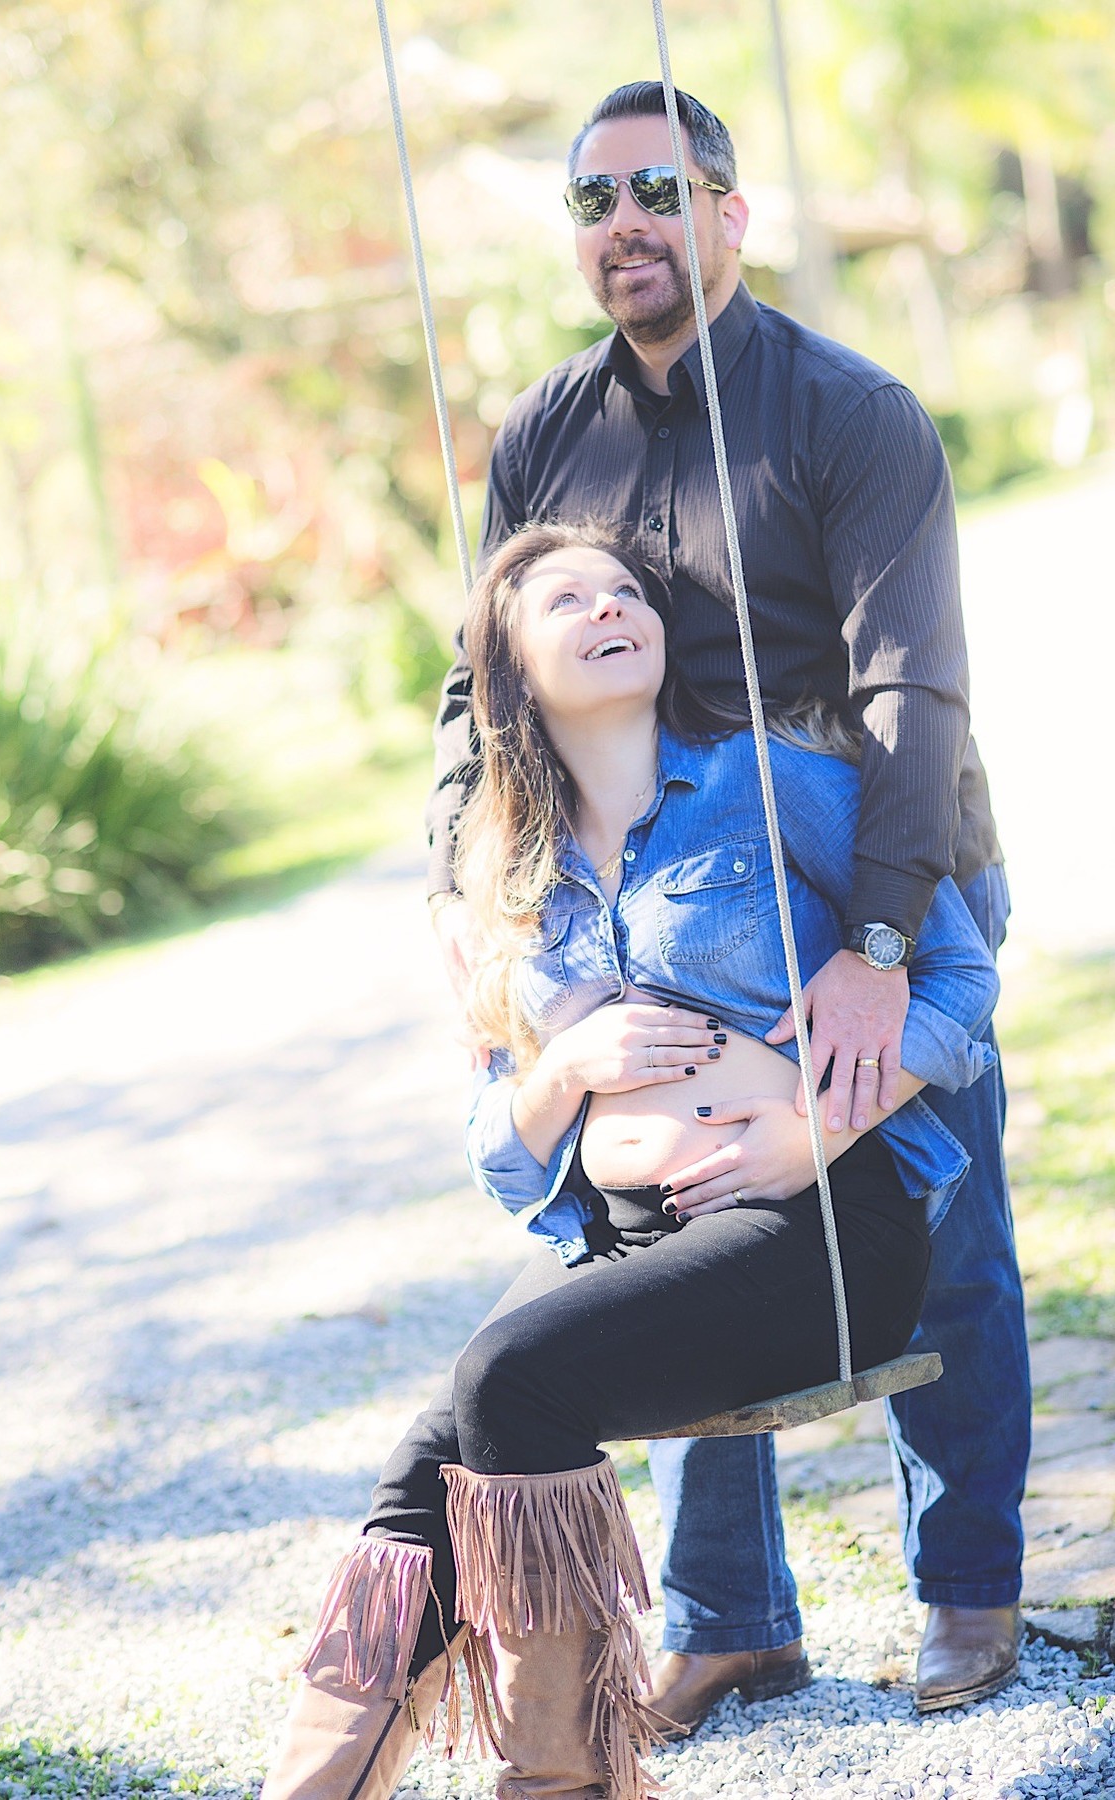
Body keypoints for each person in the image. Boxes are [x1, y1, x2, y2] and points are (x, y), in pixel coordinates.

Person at [428, 83, 1030, 1724]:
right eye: (589, 201)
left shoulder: (847, 411)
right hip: (669, 886)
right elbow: (475, 689)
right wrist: (469, 898)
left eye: (653, 190)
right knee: (681, 1217)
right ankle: (731, 1615)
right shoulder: (547, 432)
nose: (621, 223)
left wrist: (881, 951)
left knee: (947, 1222)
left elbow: (913, 690)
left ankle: (967, 1588)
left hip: (877, 855)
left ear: (725, 213)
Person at [262, 524, 999, 1800]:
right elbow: (503, 1159)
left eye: (625, 591)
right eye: (565, 598)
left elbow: (959, 981)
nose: (610, 607)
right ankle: (315, 1790)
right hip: (635, 1238)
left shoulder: (771, 783)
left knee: (510, 1375)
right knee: (424, 1465)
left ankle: (565, 1784)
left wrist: (818, 1131)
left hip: (819, 1229)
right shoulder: (504, 875)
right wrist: (566, 1065)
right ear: (507, 667)